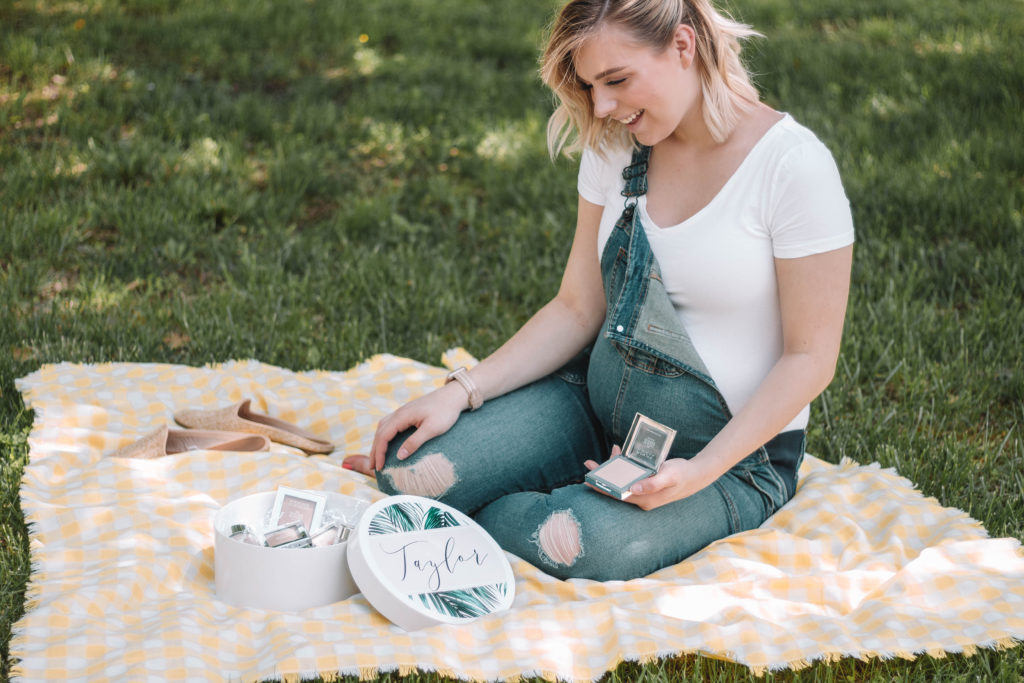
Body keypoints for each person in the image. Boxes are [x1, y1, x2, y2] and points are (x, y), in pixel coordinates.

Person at [342, 0, 854, 581]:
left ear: (683, 46)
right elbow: (576, 306)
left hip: (727, 459)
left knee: (575, 542)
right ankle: (499, 504)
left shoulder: (792, 166)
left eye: (616, 80)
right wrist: (461, 391)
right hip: (596, 407)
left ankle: (501, 515)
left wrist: (701, 471)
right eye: (591, 86)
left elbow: (810, 359)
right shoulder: (616, 144)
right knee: (412, 468)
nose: (603, 107)